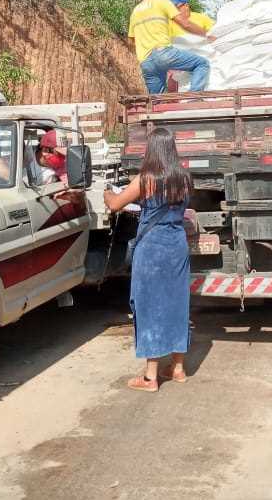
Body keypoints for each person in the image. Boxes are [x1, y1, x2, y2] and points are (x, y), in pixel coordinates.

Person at [103, 127, 191, 392]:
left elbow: (116, 205)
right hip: (177, 247)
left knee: (149, 305)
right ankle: (177, 369)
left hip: (152, 250)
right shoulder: (184, 178)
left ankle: (150, 377)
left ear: (152, 150)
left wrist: (108, 193)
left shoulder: (146, 180)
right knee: (177, 305)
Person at [128, 0, 211, 94]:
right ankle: (194, 97)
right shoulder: (163, 3)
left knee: (157, 102)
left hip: (146, 62)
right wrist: (207, 35)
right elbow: (185, 24)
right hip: (163, 53)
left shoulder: (135, 12)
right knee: (202, 63)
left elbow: (132, 40)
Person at [165, 0, 215, 92]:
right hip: (180, 63)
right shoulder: (170, 23)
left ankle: (194, 96)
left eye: (176, 7)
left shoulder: (202, 19)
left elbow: (215, 35)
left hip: (202, 58)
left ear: (186, 5)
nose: (174, 11)